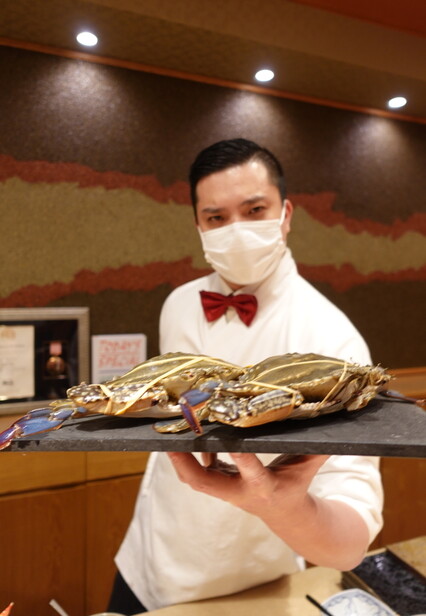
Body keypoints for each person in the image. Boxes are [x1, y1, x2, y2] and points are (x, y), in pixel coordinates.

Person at [109, 138, 383, 614]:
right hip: (147, 559)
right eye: (216, 217)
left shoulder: (333, 340)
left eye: (255, 210)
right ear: (199, 226)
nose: (236, 229)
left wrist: (282, 504)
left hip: (250, 584)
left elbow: (349, 542)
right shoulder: (178, 304)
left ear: (286, 214)